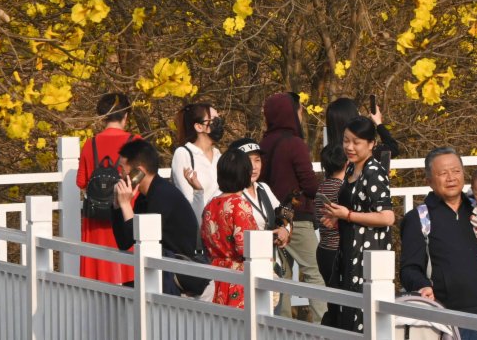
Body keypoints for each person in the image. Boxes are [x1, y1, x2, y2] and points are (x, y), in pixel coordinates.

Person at [398, 148, 477, 340]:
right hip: (452, 319)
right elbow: (409, 269)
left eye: (456, 171)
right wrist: (422, 286)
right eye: (443, 173)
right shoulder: (418, 218)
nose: (451, 178)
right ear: (429, 181)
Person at [322, 116, 396, 331]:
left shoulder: (374, 172)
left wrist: (349, 216)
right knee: (347, 311)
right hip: (349, 249)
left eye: (356, 142)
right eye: (346, 140)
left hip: (368, 253)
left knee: (364, 316)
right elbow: (355, 206)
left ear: (371, 144)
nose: (349, 147)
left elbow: (387, 217)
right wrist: (337, 215)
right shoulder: (351, 169)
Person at [260, 91, 327, 319]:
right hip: (296, 219)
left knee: (283, 276)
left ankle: (282, 329)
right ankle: (323, 327)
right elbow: (309, 184)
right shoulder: (294, 143)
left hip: (272, 220)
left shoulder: (264, 143)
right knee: (314, 272)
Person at [111, 139, 203, 296]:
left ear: (138, 171)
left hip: (180, 277)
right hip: (162, 273)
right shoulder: (145, 196)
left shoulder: (163, 195)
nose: (119, 174)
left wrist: (126, 205)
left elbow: (143, 237)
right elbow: (124, 242)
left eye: (122, 168)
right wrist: (117, 205)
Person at [77, 91, 137, 284]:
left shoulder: (90, 144)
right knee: (128, 277)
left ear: (103, 116)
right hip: (125, 215)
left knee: (98, 279)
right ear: (126, 116)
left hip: (96, 220)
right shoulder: (135, 142)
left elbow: (81, 182)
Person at [200, 148, 259, 307]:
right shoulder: (239, 205)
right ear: (245, 174)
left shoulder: (210, 205)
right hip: (238, 277)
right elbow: (245, 247)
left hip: (215, 274)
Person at [173, 100, 224, 221]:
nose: (219, 125)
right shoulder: (184, 154)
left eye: (219, 120)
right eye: (214, 121)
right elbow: (187, 199)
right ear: (199, 126)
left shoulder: (219, 156)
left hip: (219, 229)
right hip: (197, 228)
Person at [313, 141, 346, 301]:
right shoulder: (343, 189)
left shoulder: (322, 187)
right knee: (344, 301)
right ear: (347, 162)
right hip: (338, 252)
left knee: (332, 301)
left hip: (324, 250)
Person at [324, 96, 400, 163]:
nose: (360, 114)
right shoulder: (363, 151)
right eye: (357, 112)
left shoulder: (327, 154)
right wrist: (379, 123)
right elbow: (393, 149)